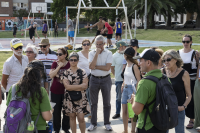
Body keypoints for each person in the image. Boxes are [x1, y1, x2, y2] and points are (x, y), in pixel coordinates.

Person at [6, 60, 53, 133]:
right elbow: (47, 117)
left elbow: (9, 109)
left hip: (16, 127)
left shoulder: (14, 88)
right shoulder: (41, 91)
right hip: (37, 128)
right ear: (40, 73)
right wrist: (51, 111)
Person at [132, 48, 167, 133]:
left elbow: (137, 110)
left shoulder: (144, 83)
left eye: (141, 60)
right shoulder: (165, 78)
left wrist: (134, 100)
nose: (139, 64)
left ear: (148, 62)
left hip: (147, 126)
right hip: (162, 125)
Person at [162, 50, 192, 133]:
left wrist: (183, 107)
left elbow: (189, 95)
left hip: (178, 109)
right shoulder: (162, 72)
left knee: (179, 131)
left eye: (168, 59)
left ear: (175, 60)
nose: (166, 62)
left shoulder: (184, 73)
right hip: (165, 109)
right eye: (164, 60)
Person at [87, 35, 113, 131]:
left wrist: (95, 66)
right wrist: (96, 54)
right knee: (93, 103)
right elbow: (90, 66)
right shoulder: (91, 53)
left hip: (106, 79)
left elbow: (107, 68)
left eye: (100, 44)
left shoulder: (109, 53)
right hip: (94, 79)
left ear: (104, 44)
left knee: (106, 102)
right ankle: (93, 123)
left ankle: (107, 123)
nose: (98, 46)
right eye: (97, 44)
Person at [62, 52, 90, 133]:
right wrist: (80, 86)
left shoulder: (82, 71)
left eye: (75, 60)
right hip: (69, 98)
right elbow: (67, 87)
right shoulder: (66, 72)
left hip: (81, 98)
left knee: (81, 118)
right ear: (69, 61)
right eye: (71, 60)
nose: (73, 61)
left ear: (78, 61)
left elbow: (85, 86)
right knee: (72, 117)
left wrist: (72, 87)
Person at [177, 34, 199, 129]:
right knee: (181, 98)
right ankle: (179, 117)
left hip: (192, 79)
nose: (185, 43)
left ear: (191, 42)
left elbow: (199, 65)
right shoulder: (178, 52)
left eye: (187, 41)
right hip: (181, 79)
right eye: (184, 41)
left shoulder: (195, 53)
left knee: (192, 99)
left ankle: (192, 119)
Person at [49, 47, 70, 133]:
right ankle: (57, 129)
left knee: (66, 111)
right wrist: (59, 67)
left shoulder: (69, 64)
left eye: (60, 54)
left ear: (65, 55)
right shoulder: (55, 63)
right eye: (57, 54)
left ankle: (66, 128)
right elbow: (51, 75)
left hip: (67, 91)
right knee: (56, 111)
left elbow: (71, 76)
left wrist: (59, 76)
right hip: (55, 91)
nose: (58, 56)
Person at [122, 47, 141, 133]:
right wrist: (123, 84)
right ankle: (125, 130)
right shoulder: (126, 64)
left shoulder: (135, 66)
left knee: (131, 112)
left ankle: (132, 130)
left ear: (126, 55)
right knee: (124, 111)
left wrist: (134, 92)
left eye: (124, 54)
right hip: (125, 88)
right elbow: (125, 77)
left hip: (131, 89)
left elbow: (138, 80)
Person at [111, 41, 128, 119]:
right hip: (119, 80)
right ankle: (117, 112)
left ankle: (128, 113)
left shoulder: (127, 54)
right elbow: (112, 68)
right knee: (118, 97)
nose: (126, 48)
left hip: (127, 80)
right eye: (125, 46)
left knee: (128, 97)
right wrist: (116, 75)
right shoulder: (114, 56)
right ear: (121, 47)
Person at [77, 39, 92, 118]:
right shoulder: (78, 55)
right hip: (82, 78)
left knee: (91, 96)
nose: (86, 46)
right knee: (84, 96)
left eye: (88, 44)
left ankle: (91, 112)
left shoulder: (92, 53)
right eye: (84, 44)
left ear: (90, 45)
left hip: (92, 77)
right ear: (82, 46)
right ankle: (84, 112)